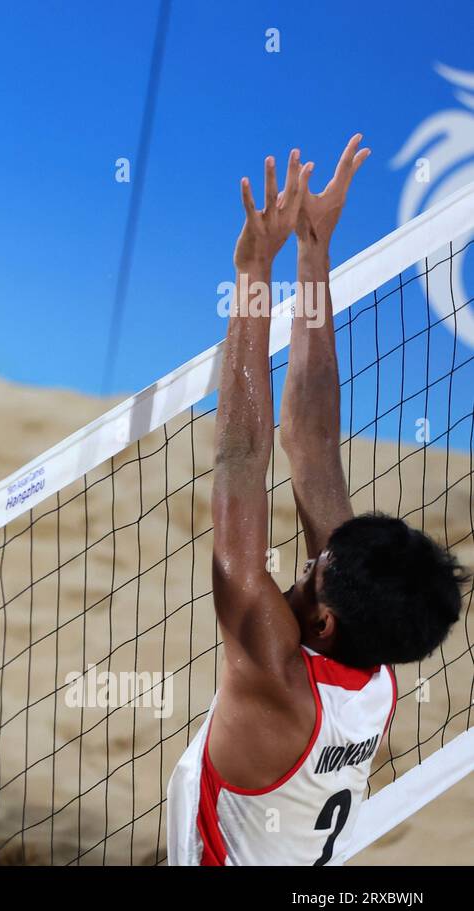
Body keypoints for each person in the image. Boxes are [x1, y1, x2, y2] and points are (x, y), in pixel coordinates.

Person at [166, 135, 470, 865]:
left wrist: (252, 271)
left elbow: (242, 457)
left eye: (310, 574)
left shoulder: (275, 674)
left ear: (324, 622)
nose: (304, 566)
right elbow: (311, 443)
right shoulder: (375, 676)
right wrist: (311, 253)